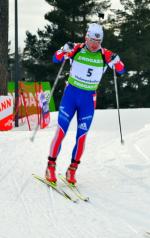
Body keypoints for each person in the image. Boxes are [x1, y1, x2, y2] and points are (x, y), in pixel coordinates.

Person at [45, 23, 125, 185]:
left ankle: (72, 170)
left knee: (81, 137)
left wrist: (117, 61)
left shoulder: (105, 55)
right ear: (86, 38)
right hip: (71, 96)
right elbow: (56, 58)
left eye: (98, 41)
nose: (94, 45)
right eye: (92, 41)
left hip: (88, 100)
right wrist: (63, 50)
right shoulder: (75, 49)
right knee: (61, 132)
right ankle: (50, 166)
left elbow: (121, 70)